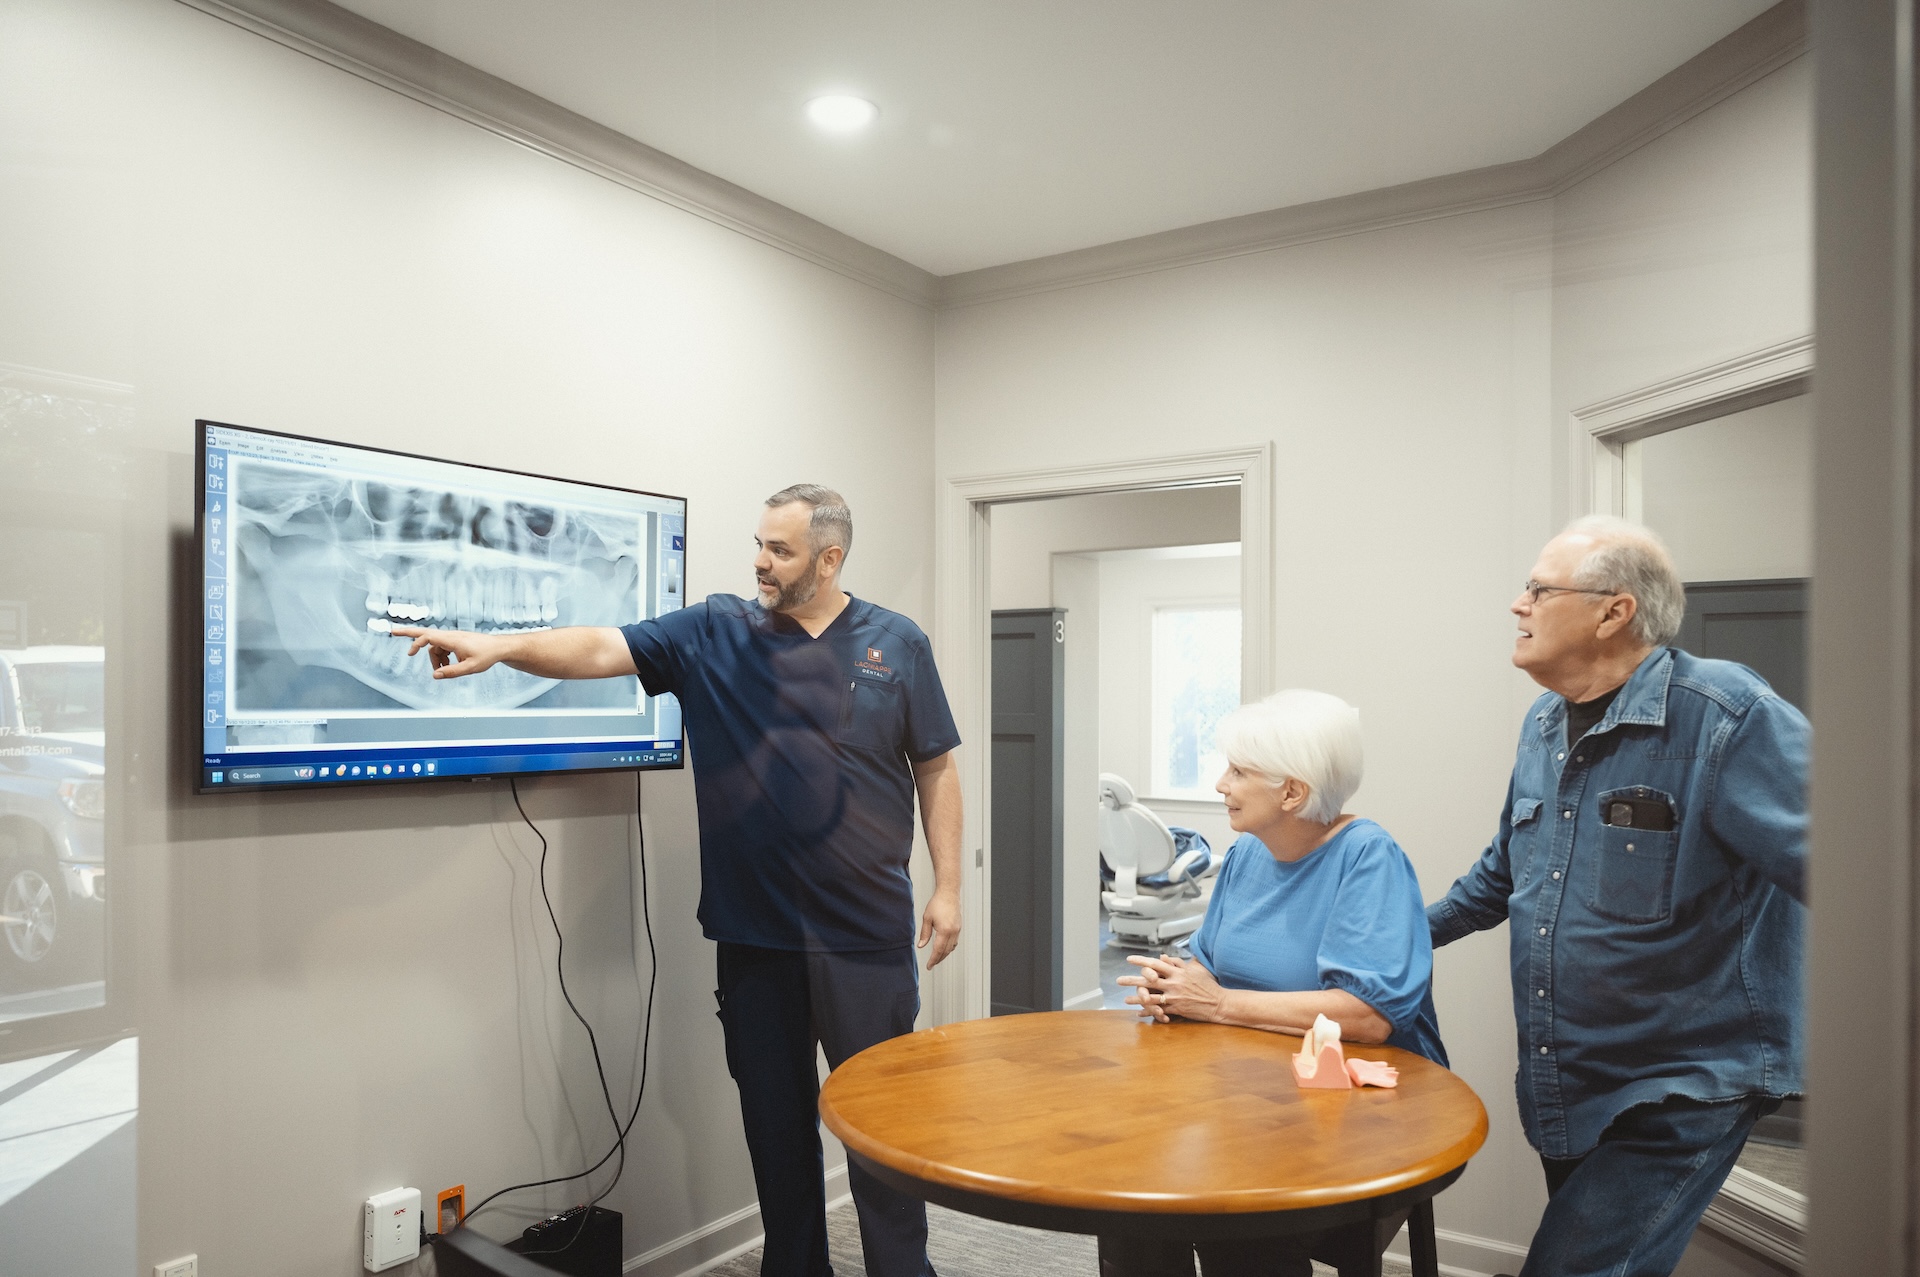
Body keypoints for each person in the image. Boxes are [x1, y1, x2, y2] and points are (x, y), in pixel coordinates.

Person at [394, 484, 962, 1277]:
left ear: (830, 559)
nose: (762, 561)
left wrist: (947, 889)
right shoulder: (713, 631)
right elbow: (601, 647)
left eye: (782, 550)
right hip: (754, 936)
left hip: (864, 939)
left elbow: (933, 765)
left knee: (881, 1136)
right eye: (759, 543)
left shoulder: (896, 643)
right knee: (777, 1133)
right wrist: (502, 646)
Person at [1428, 516, 1807, 1277]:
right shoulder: (1543, 724)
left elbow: (1858, 871)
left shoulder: (1726, 713)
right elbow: (1500, 876)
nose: (1518, 604)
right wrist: (1385, 932)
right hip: (1572, 1081)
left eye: (1538, 587)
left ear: (1613, 610)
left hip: (1686, 1083)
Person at [1113, 689, 1444, 1277]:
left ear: (1292, 792)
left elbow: (1368, 1016)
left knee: (1238, 1217)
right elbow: (1208, 964)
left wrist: (1216, 1005)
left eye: (1239, 772)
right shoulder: (1247, 854)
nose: (1221, 785)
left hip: (1356, 1116)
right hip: (1250, 1093)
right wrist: (1173, 986)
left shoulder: (1368, 856)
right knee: (1130, 1192)